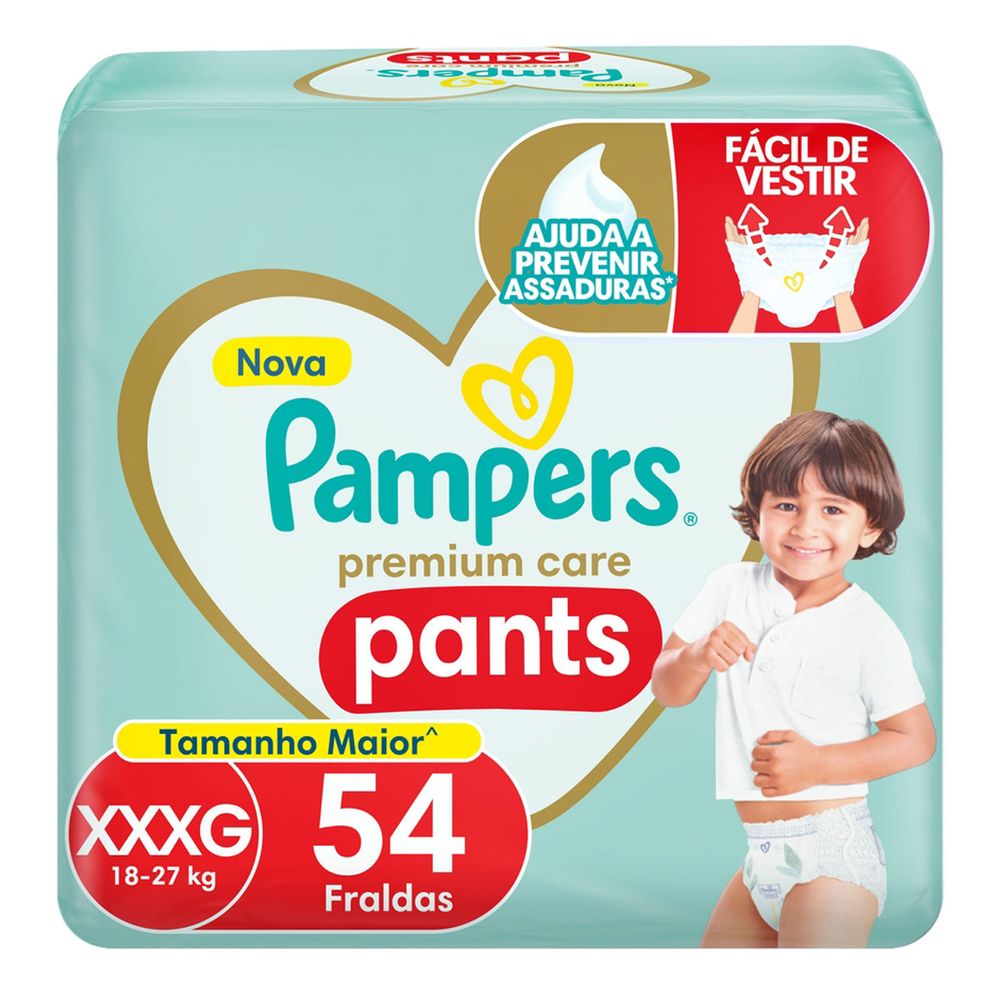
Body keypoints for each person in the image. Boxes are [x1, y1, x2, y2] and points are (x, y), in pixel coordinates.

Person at [650, 410, 935, 947]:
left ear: (870, 525)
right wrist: (696, 655)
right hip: (759, 855)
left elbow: (916, 739)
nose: (805, 527)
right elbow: (666, 689)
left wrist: (819, 764)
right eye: (786, 505)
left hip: (831, 855)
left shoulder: (867, 626)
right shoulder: (729, 586)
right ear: (756, 513)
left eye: (832, 509)